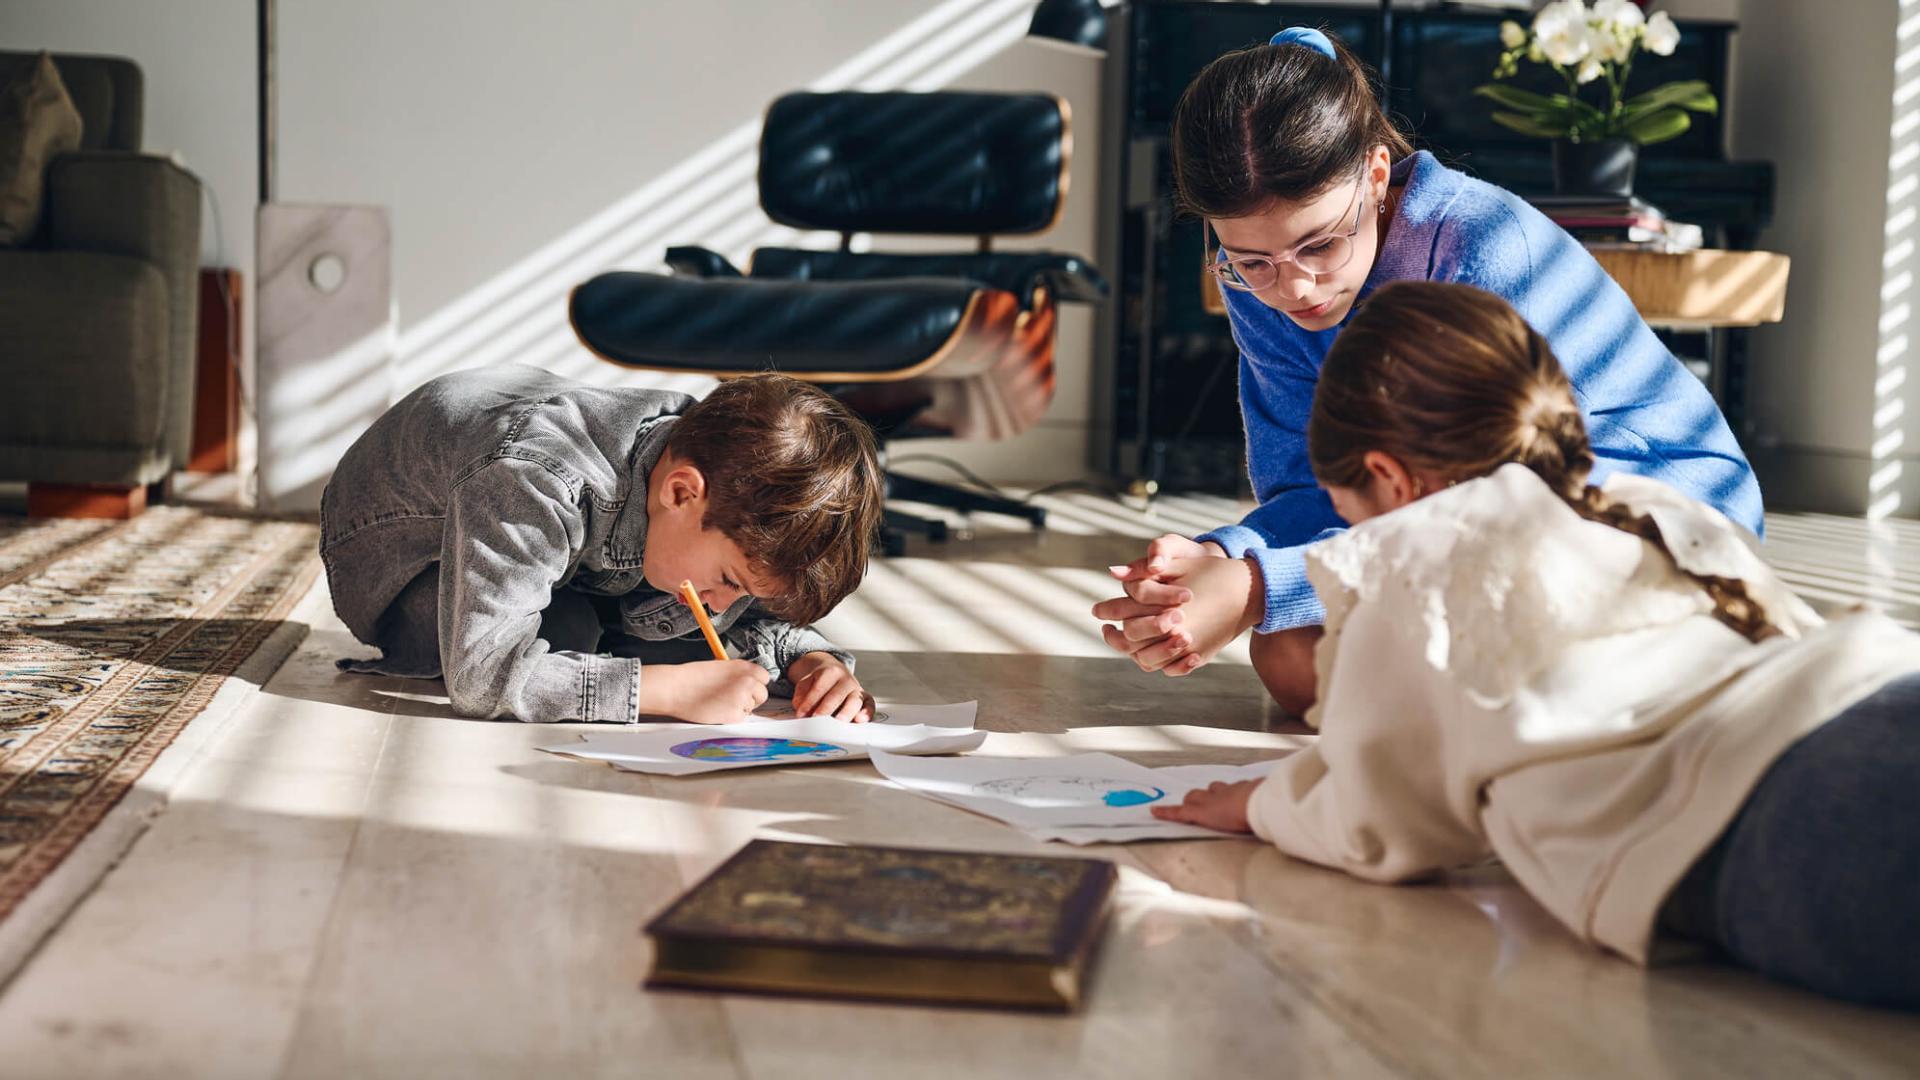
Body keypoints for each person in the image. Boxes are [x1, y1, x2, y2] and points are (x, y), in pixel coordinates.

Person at [1152, 281, 1920, 1010]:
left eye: (1350, 515)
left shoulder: (1414, 558)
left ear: (1389, 478)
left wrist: (1265, 803)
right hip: (1869, 684)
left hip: (1767, 811)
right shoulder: (1648, 506)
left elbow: (1378, 821)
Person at [1092, 25, 1761, 717]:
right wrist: (1211, 566)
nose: (1293, 288)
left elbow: (1486, 517)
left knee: (1335, 649)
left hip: (1638, 519)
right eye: (1252, 260)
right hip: (1469, 532)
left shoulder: (1484, 248)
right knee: (1291, 657)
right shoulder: (1255, 278)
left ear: (1376, 175)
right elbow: (1312, 485)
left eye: (1319, 243)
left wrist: (1259, 585)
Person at [320, 366, 883, 725]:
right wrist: (661, 691)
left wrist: (810, 659)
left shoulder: (709, 476)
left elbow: (741, 604)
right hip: (402, 562)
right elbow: (482, 677)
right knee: (571, 635)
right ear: (682, 491)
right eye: (730, 581)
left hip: (551, 534)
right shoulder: (534, 479)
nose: (721, 603)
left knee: (681, 629)